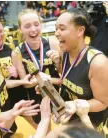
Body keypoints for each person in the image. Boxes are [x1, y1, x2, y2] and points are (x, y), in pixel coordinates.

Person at [46, 8, 108, 136]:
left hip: (90, 123)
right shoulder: (64, 51)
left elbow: (103, 102)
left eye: (62, 29)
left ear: (80, 30)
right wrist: (49, 79)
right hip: (71, 116)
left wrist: (75, 104)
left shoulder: (98, 63)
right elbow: (68, 78)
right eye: (56, 28)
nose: (56, 33)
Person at [12, 9, 60, 124]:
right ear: (20, 29)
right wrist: (41, 79)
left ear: (41, 25)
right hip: (36, 99)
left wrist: (58, 62)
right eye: (27, 26)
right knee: (46, 130)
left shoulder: (53, 43)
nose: (33, 29)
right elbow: (26, 85)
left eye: (36, 24)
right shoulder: (17, 52)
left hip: (59, 95)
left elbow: (63, 78)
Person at [0, 14, 29, 109]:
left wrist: (17, 74)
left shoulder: (13, 47)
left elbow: (24, 77)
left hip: (17, 94)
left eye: (0, 31)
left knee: (33, 121)